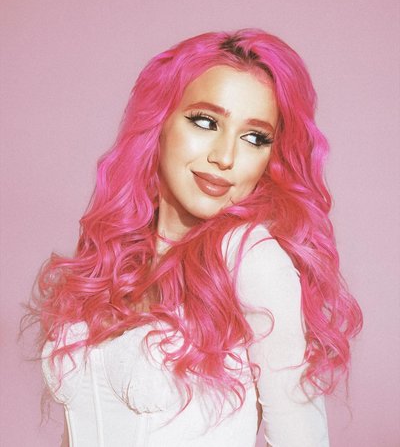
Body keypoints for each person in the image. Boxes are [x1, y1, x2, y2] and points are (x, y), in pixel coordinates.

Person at [31, 29, 362, 446]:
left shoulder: (251, 259)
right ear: (159, 122)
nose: (225, 157)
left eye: (254, 138)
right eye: (206, 122)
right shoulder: (115, 256)